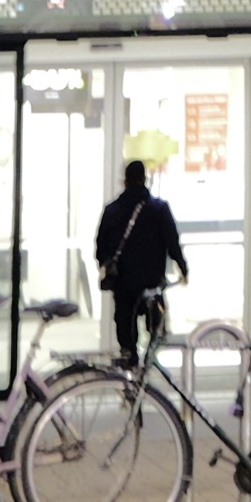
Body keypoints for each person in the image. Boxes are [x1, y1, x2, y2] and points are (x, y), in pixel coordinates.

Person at [93, 145, 192, 370]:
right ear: (144, 180)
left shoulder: (112, 210)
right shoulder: (159, 209)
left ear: (125, 181)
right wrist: (183, 268)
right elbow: (173, 243)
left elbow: (100, 247)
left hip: (124, 286)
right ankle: (147, 367)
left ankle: (131, 369)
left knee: (126, 334)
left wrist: (107, 265)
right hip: (151, 284)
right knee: (156, 331)